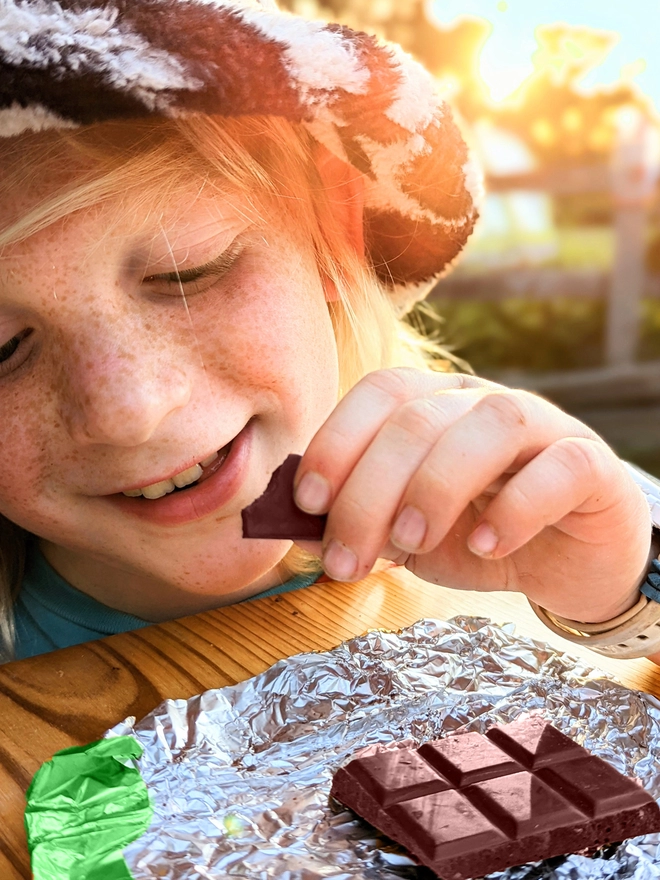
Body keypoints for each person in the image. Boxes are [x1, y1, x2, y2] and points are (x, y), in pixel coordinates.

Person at [0, 0, 659, 665]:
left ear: (329, 229)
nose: (130, 411)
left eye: (188, 271)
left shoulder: (555, 503)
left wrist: (625, 599)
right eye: (3, 349)